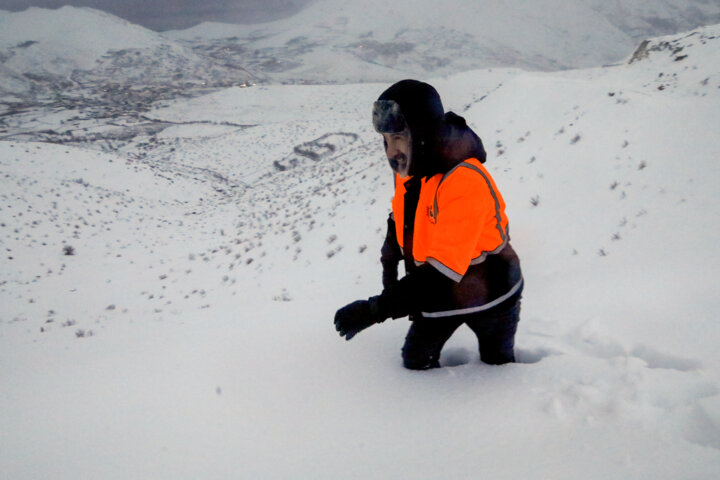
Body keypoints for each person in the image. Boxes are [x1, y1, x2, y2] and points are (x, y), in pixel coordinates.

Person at [334, 79, 523, 370]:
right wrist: (389, 269)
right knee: (416, 360)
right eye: (385, 140)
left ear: (422, 133)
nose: (389, 150)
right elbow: (400, 219)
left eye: (398, 138)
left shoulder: (464, 181)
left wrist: (376, 309)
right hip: (440, 293)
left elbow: (441, 274)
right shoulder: (412, 168)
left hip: (491, 292)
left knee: (498, 367)